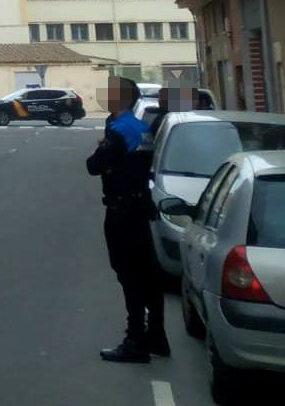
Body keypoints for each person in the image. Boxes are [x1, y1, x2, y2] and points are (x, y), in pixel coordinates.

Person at [86, 75, 168, 363]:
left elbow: (93, 166)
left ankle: (135, 341)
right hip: (139, 208)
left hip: (121, 211)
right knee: (147, 275)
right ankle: (157, 335)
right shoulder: (142, 128)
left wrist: (102, 146)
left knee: (129, 275)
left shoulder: (119, 130)